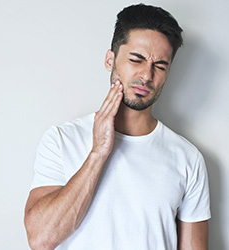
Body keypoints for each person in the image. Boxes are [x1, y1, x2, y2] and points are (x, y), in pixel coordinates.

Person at [24, 4, 211, 250]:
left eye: (161, 66)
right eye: (136, 59)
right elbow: (40, 239)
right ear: (110, 60)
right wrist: (98, 153)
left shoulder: (188, 158)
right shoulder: (61, 140)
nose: (146, 75)